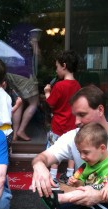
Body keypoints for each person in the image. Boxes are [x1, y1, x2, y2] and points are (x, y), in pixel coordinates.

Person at [44, 50, 81, 186]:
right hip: (73, 125)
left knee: (56, 150)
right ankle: (70, 174)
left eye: (57, 67)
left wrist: (48, 92)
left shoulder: (59, 86)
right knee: (72, 150)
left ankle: (53, 176)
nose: (56, 70)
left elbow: (50, 103)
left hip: (58, 126)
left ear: (64, 66)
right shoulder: (77, 85)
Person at [6, 24, 42, 141]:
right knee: (34, 102)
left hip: (10, 73)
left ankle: (15, 134)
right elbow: (38, 59)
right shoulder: (30, 42)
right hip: (24, 74)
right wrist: (35, 43)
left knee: (19, 102)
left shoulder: (12, 42)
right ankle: (21, 130)